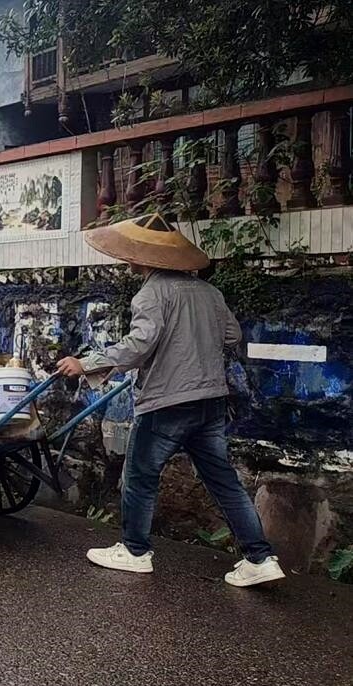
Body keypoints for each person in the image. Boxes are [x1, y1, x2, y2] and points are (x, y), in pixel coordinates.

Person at [55, 214, 283, 588]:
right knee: (223, 480)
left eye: (131, 254)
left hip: (167, 402)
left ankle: (134, 551)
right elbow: (232, 336)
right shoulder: (209, 293)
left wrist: (87, 362)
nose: (127, 261)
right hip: (209, 400)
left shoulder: (151, 293)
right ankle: (259, 557)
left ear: (143, 258)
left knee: (139, 476)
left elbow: (140, 345)